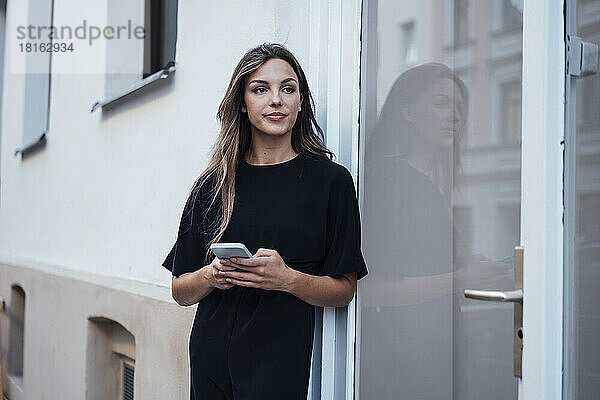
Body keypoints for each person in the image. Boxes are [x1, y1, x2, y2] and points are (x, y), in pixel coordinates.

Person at [161, 43, 368, 400]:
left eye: (288, 89)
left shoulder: (331, 182)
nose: (276, 100)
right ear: (242, 102)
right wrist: (212, 275)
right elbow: (181, 290)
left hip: (279, 356)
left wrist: (287, 279)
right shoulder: (213, 184)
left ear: (300, 101)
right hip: (211, 352)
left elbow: (344, 290)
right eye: (261, 89)